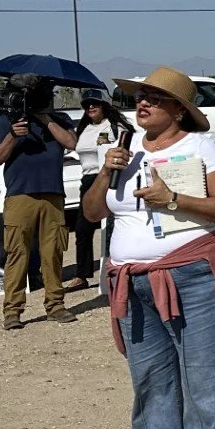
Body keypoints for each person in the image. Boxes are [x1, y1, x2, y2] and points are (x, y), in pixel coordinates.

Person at [82, 67, 215, 429]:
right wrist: (104, 174)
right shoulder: (125, 149)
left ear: (179, 110)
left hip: (191, 275)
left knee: (204, 382)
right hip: (131, 281)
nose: (143, 104)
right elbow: (93, 212)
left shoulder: (201, 147)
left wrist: (173, 200)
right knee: (151, 381)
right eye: (140, 97)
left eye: (155, 98)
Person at [0, 74, 78, 330]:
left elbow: (71, 143)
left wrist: (46, 119)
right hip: (20, 195)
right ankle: (13, 311)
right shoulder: (8, 121)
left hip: (53, 195)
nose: (46, 99)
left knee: (53, 253)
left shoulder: (59, 120)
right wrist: (13, 136)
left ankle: (56, 305)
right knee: (18, 253)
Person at [65, 91, 131, 292]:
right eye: (87, 105)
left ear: (104, 106)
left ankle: (116, 269)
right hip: (87, 179)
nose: (91, 108)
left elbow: (126, 145)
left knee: (111, 225)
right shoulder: (83, 128)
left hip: (108, 177)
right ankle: (81, 275)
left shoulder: (114, 126)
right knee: (83, 228)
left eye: (95, 104)